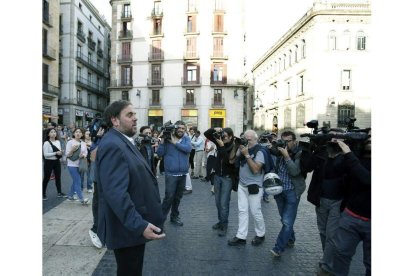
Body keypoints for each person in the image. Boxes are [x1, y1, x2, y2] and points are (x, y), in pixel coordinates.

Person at [96, 100, 165, 275]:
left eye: (134, 114)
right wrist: (140, 225)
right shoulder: (113, 144)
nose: (135, 118)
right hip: (127, 229)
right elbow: (116, 194)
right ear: (115, 120)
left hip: (131, 227)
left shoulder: (123, 140)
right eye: (129, 115)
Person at [306, 129, 351, 275]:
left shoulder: (347, 156)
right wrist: (314, 148)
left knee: (331, 234)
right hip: (321, 199)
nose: (333, 141)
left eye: (336, 139)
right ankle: (328, 257)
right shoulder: (321, 153)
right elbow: (307, 167)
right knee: (323, 231)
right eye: (330, 138)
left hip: (338, 201)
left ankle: (326, 264)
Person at [329, 134, 371, 276]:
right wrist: (335, 152)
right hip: (351, 215)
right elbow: (336, 170)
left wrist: (349, 153)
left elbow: (367, 179)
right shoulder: (357, 156)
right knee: (340, 254)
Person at [269, 130, 306, 257]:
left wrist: (286, 156)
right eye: (283, 141)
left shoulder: (300, 152)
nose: (285, 143)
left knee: (287, 221)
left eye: (288, 141)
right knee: (284, 218)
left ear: (294, 141)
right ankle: (291, 238)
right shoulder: (279, 151)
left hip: (292, 191)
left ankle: (278, 248)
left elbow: (295, 171)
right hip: (279, 190)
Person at [228, 130, 266, 246]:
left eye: (249, 139)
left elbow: (255, 170)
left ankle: (260, 234)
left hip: (254, 186)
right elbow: (231, 160)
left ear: (256, 139)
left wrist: (246, 154)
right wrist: (235, 146)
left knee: (255, 211)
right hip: (242, 185)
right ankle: (241, 236)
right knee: (242, 211)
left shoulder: (260, 151)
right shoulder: (243, 148)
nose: (247, 141)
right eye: (245, 138)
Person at [157, 120, 192, 226]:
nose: (181, 130)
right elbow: (159, 153)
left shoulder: (186, 139)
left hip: (183, 173)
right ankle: (160, 220)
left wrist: (175, 143)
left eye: (183, 128)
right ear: (175, 129)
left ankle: (174, 217)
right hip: (171, 174)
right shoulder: (167, 140)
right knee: (169, 197)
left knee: (178, 197)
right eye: (179, 128)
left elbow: (188, 149)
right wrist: (162, 141)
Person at [204, 127, 237, 237]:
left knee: (224, 203)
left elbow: (229, 162)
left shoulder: (234, 146)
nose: (223, 138)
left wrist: (222, 146)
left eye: (225, 136)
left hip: (227, 178)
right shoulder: (219, 141)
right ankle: (220, 221)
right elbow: (207, 134)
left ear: (231, 137)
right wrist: (216, 129)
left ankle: (224, 225)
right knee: (218, 202)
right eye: (222, 136)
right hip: (218, 176)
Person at [88, 126, 106, 249]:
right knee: (98, 203)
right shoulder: (97, 141)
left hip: (112, 178)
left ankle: (106, 228)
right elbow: (93, 156)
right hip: (99, 179)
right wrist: (99, 139)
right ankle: (95, 229)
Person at [65, 127, 89, 204]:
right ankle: (81, 199)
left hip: (80, 164)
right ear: (74, 134)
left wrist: (83, 155)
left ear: (82, 134)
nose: (78, 133)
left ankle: (70, 196)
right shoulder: (70, 142)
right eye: (76, 132)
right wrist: (72, 150)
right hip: (71, 165)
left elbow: (86, 153)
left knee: (75, 181)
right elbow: (67, 154)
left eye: (79, 132)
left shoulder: (83, 143)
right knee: (78, 181)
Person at [42, 128, 66, 200]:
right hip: (48, 162)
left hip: (56, 161)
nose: (53, 133)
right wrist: (56, 153)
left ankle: (59, 192)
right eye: (51, 132)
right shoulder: (46, 143)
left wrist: (61, 152)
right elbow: (45, 154)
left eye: (54, 132)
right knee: (46, 178)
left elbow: (58, 151)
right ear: (48, 134)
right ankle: (43, 194)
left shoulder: (58, 142)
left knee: (58, 177)